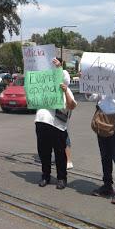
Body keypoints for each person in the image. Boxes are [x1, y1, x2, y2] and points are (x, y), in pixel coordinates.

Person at [36, 58, 77, 190]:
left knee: (60, 153)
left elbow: (72, 105)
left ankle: (61, 178)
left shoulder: (65, 89)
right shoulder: (43, 86)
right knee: (44, 152)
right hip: (41, 122)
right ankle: (45, 176)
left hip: (58, 126)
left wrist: (65, 90)